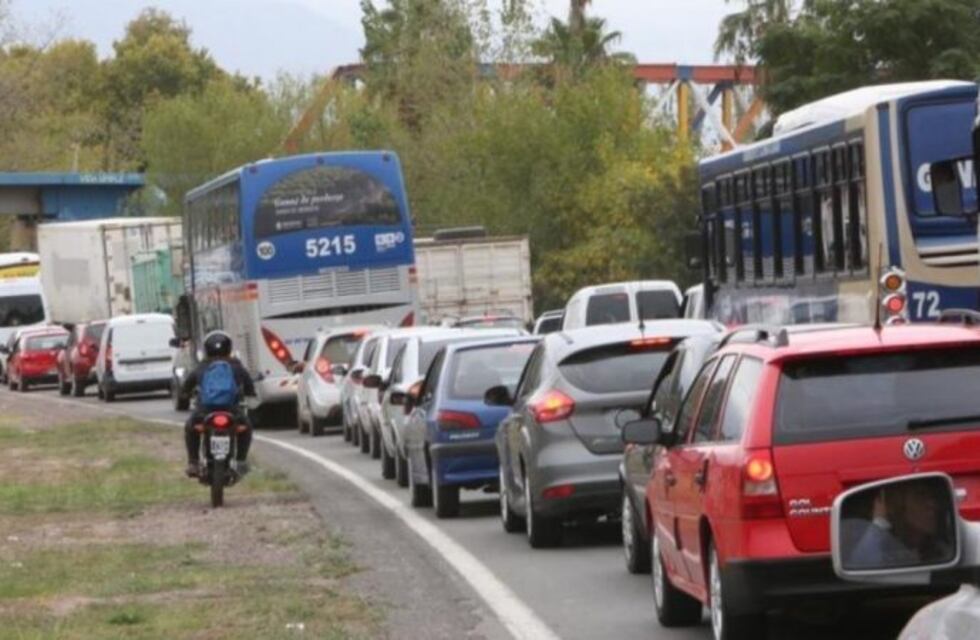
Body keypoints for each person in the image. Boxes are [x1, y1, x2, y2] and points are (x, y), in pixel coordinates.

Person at [182, 331, 256, 478]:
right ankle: (241, 461)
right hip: (231, 410)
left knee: (191, 427)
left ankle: (193, 463)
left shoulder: (201, 366)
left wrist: (186, 393)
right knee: (246, 427)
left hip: (205, 411)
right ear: (229, 348)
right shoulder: (236, 366)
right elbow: (249, 386)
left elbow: (186, 386)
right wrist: (250, 392)